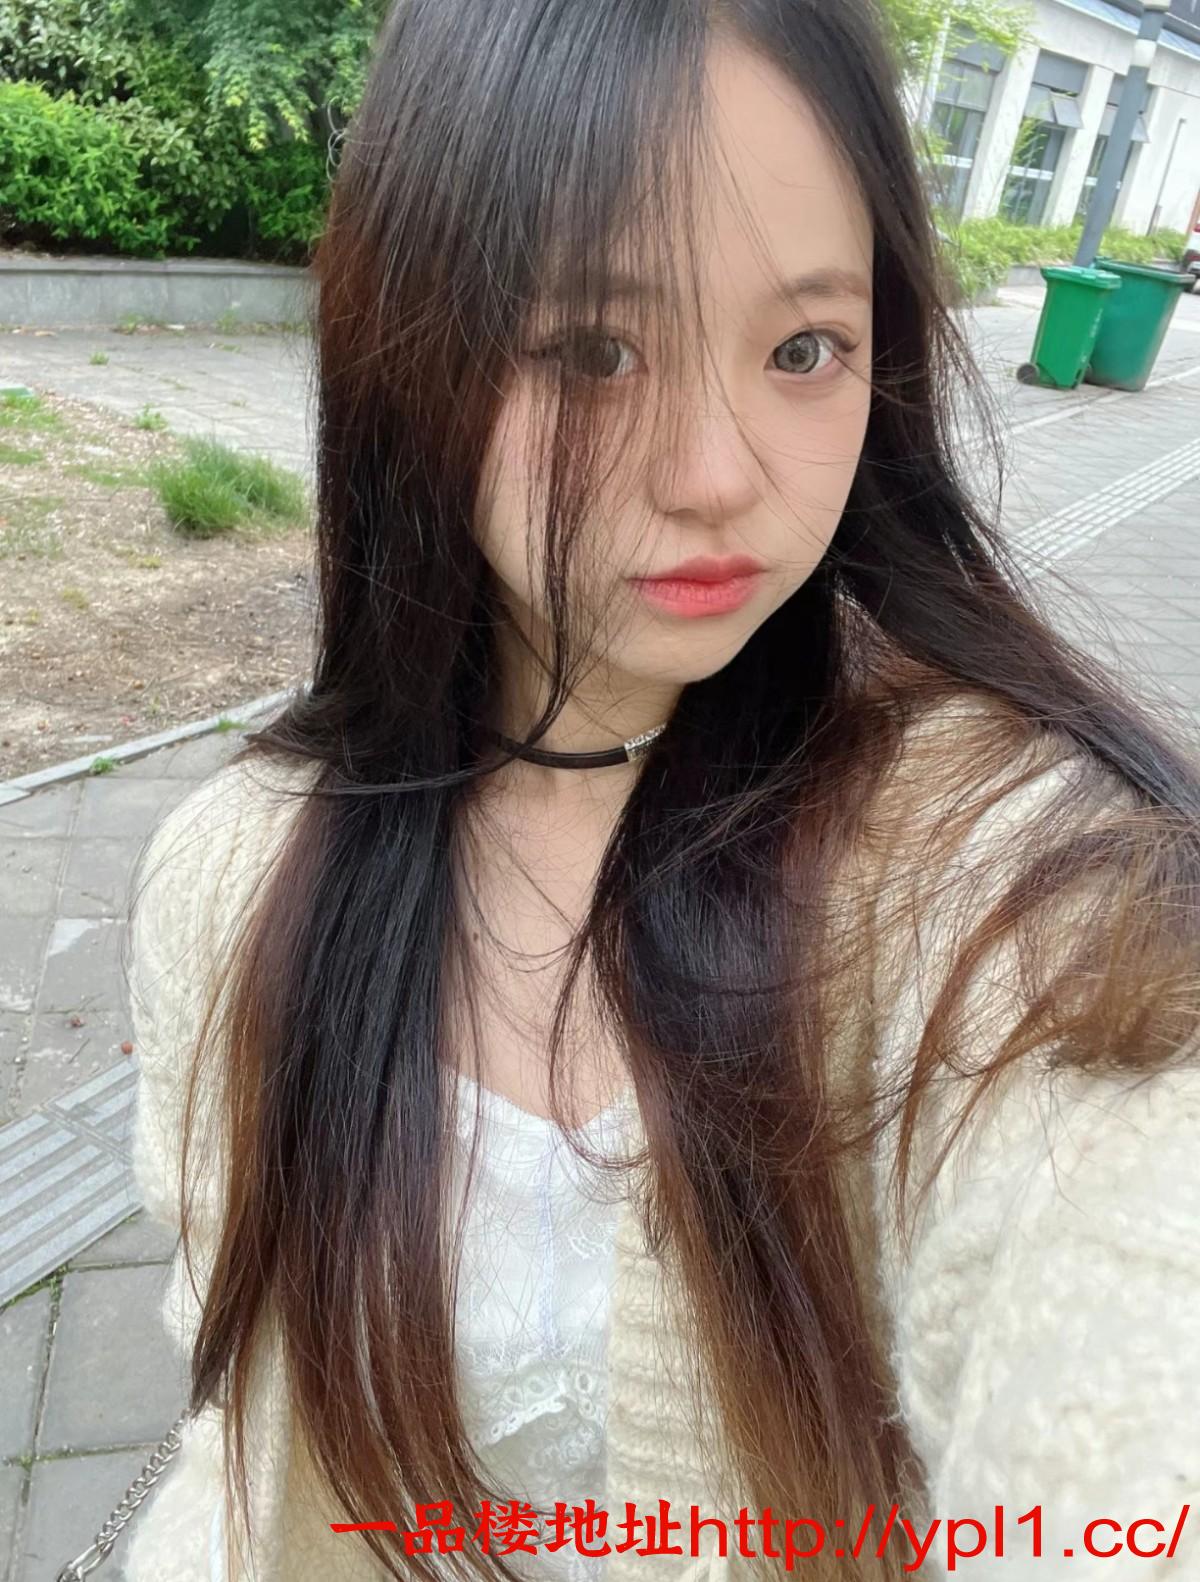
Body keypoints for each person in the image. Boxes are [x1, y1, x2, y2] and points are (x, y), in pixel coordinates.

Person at [120, 1, 1200, 1579]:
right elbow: (237, 1442)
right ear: (411, 345)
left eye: (804, 348)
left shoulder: (977, 863)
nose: (717, 474)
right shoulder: (237, 876)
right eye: (593, 350)